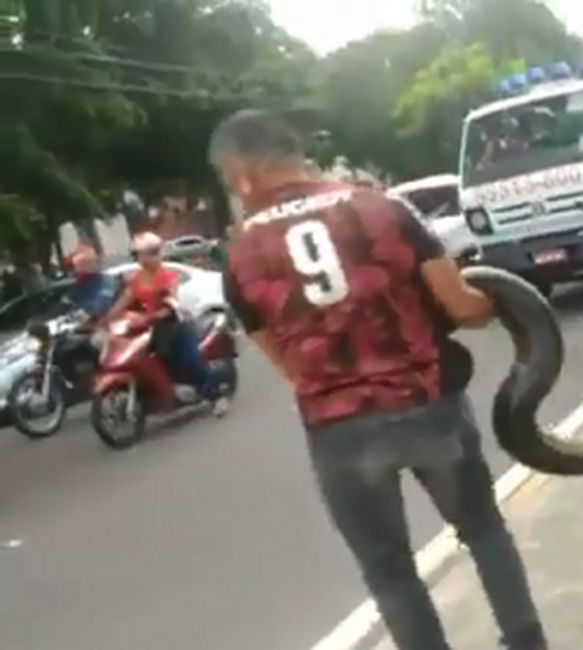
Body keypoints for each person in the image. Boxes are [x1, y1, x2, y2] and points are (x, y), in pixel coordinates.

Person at [209, 109, 546, 650]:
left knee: (390, 573)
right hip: (427, 405)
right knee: (482, 530)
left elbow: (288, 365)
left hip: (339, 431)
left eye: (229, 179)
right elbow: (462, 308)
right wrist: (501, 297)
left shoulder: (240, 255)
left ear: (242, 169)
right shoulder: (384, 208)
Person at [102, 232, 227, 414]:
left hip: (175, 327)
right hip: (150, 331)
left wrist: (156, 314)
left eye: (153, 252)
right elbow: (121, 304)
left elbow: (171, 303)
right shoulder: (136, 281)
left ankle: (216, 397)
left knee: (189, 362)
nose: (148, 258)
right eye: (143, 254)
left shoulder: (168, 277)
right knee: (147, 361)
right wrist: (105, 320)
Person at [65, 244, 119, 322]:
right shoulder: (78, 287)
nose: (73, 273)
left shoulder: (106, 282)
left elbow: (100, 307)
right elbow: (67, 303)